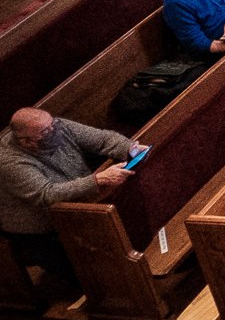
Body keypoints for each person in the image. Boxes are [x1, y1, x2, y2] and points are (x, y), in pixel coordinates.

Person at [0, 108, 142, 293]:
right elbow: (47, 194)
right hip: (37, 229)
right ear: (26, 141)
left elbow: (103, 139)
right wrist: (97, 180)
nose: (54, 131)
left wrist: (130, 149)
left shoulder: (57, 126)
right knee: (90, 278)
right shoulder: (9, 162)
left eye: (52, 124)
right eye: (45, 132)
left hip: (76, 206)